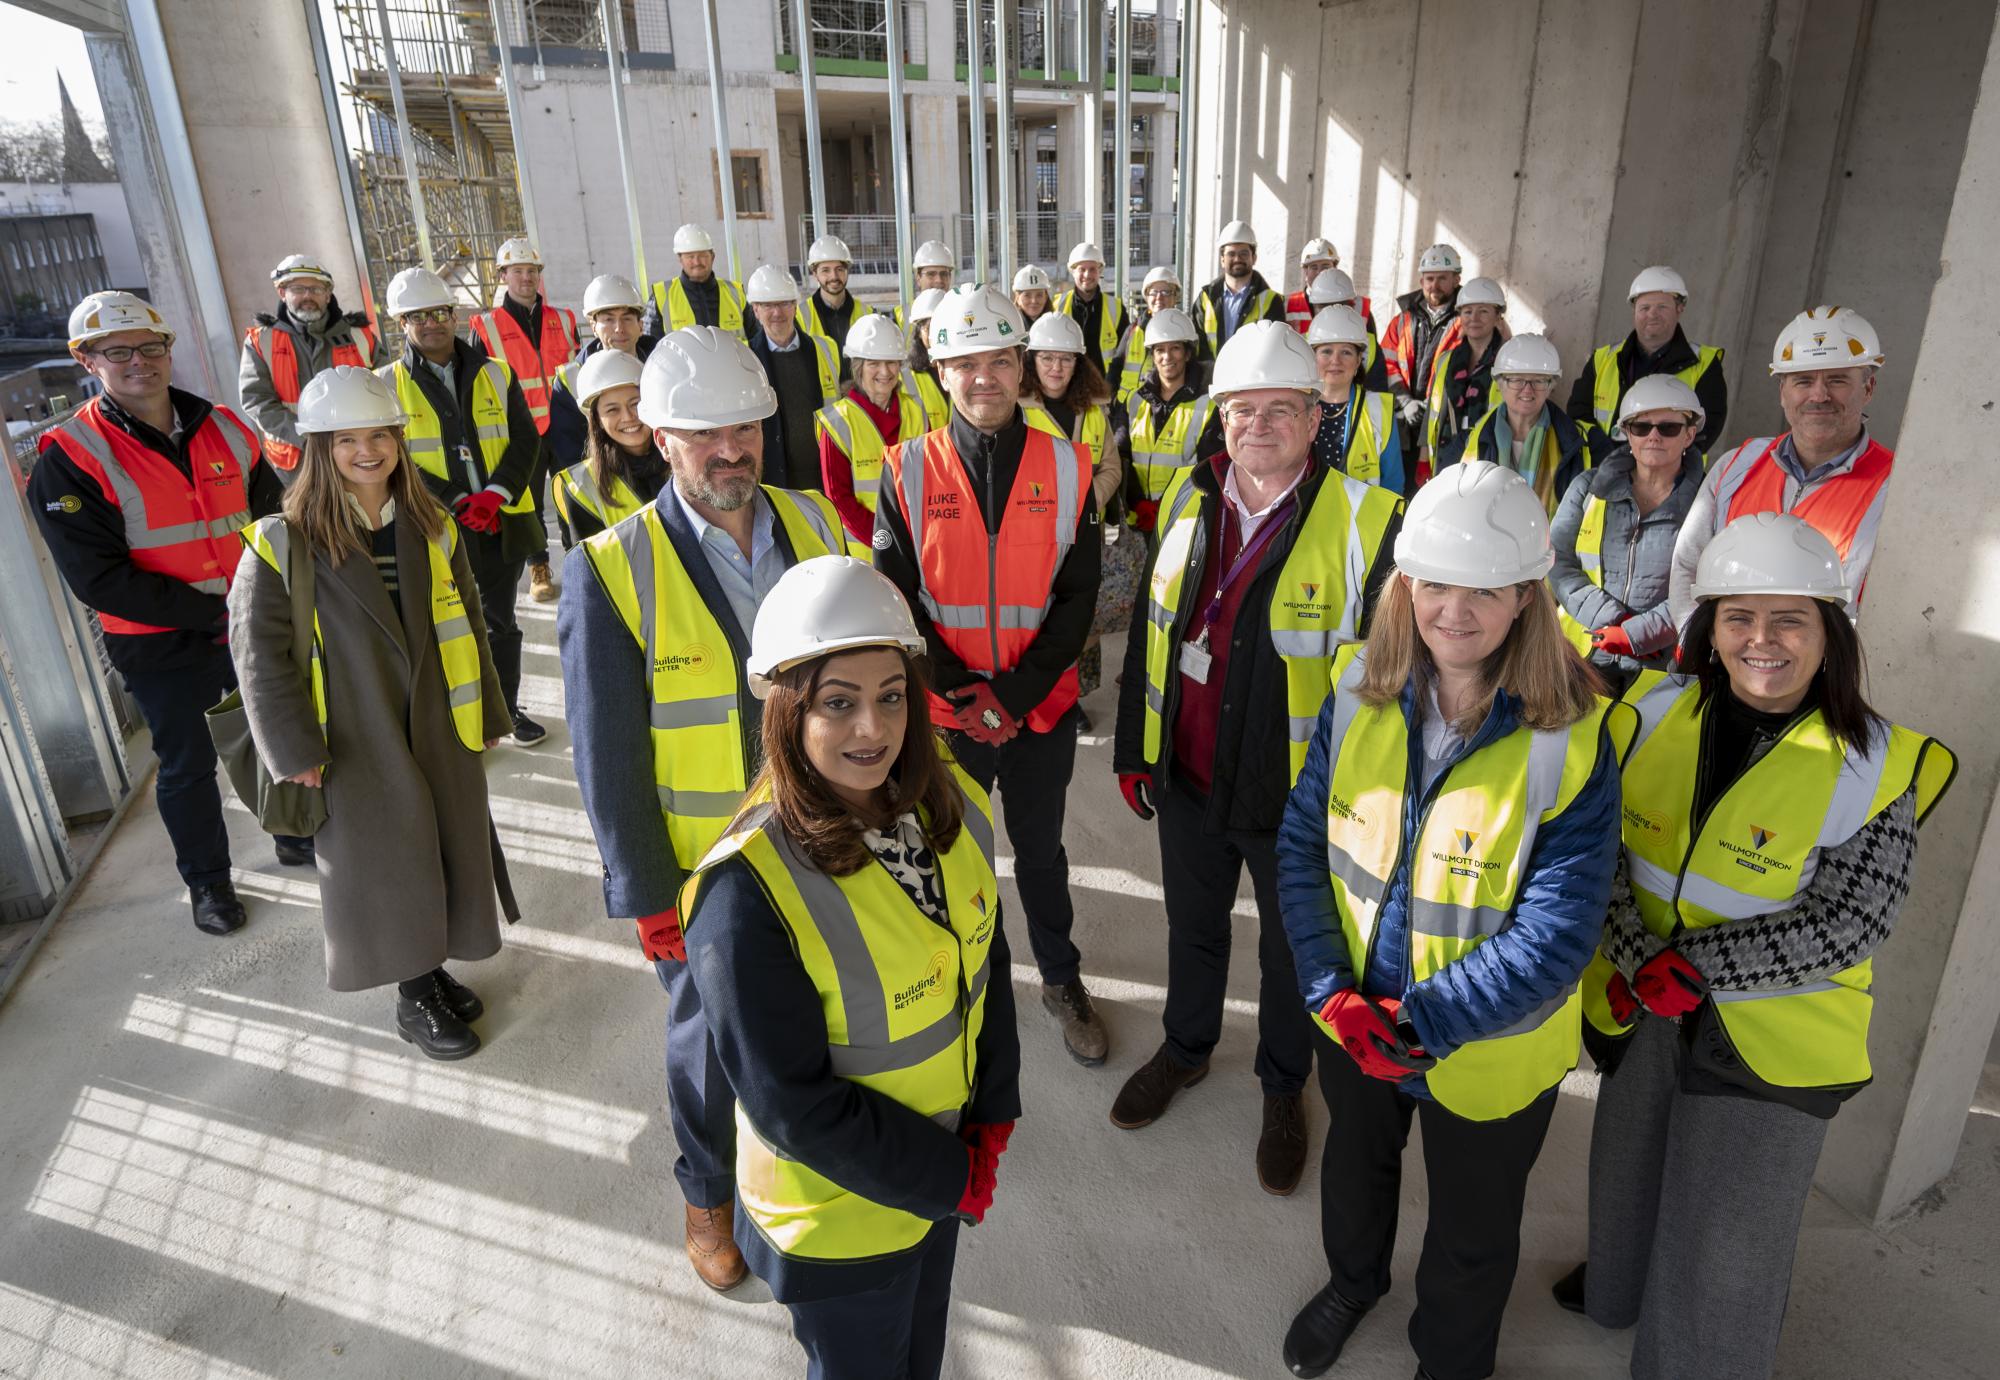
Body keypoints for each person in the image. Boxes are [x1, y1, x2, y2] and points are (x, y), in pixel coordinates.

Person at [1559, 513, 1954, 1380]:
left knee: (1726, 1244)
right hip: (1643, 1003)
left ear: (1830, 637)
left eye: (1790, 620)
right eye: (1739, 617)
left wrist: (1693, 968)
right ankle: (1619, 1292)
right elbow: (1603, 857)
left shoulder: (1871, 761)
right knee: (1627, 1169)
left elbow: (1852, 919)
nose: (1761, 641)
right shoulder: (1653, 712)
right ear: (1709, 627)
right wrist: (1634, 951)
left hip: (1773, 1034)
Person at [1276, 460, 1626, 1380]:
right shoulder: (1359, 688)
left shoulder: (1572, 732)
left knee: (1473, 1232)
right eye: (1433, 583)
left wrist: (1423, 1022)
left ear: (1526, 597)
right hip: (1355, 1012)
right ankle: (1355, 1283)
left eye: (1484, 590)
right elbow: (1306, 843)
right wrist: (1328, 988)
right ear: (1405, 586)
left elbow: (1559, 930)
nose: (1454, 611)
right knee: (1355, 1177)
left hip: (1486, 1046)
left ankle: (1449, 1360)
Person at [558, 326, 848, 1292]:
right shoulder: (611, 567)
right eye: (703, 434)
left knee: (822, 1016)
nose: (731, 451)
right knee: (708, 1046)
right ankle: (707, 1195)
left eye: (746, 428)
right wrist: (644, 893)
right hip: (702, 871)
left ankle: (801, 1171)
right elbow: (606, 753)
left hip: (818, 840)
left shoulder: (817, 528)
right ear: (655, 434)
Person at [681, 555, 1021, 1379]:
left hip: (938, 1180)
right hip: (839, 1221)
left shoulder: (955, 804)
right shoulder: (745, 893)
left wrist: (995, 1107)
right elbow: (791, 1104)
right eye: (839, 703)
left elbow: (986, 962)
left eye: (891, 696)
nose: (873, 728)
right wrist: (949, 1175)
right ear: (788, 711)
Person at [1110, 322, 1401, 1199]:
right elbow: (1153, 636)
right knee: (1193, 928)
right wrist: (1136, 748)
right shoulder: (1188, 505)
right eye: (1244, 409)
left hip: (1298, 799)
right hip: (1191, 776)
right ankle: (1188, 1047)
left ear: (1317, 420)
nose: (1261, 425)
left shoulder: (1368, 522)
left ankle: (1283, 1086)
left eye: (1283, 408)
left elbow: (1396, 684)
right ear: (1222, 418)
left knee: (1288, 955)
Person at [229, 367, 514, 1058]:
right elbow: (257, 652)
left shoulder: (430, 524)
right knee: (385, 866)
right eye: (346, 438)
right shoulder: (281, 540)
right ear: (318, 448)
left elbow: (471, 621)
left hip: (439, 720)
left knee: (444, 849)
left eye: (380, 434)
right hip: (351, 735)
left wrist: (490, 712)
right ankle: (415, 998)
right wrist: (292, 749)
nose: (367, 450)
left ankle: (431, 969)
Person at [873, 283, 1111, 1067]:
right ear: (939, 371)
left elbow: (1079, 599)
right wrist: (959, 696)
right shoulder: (905, 469)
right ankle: (964, 978)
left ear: (1024, 368)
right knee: (951, 853)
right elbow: (896, 601)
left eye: (1000, 360)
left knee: (1040, 852)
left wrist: (1009, 697)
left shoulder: (1071, 468)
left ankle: (1061, 978)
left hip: (1036, 711)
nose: (985, 377)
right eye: (966, 362)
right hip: (947, 715)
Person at [31, 291, 299, 936]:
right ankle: (208, 883)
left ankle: (294, 835)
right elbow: (99, 579)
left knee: (277, 737)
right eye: (115, 351)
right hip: (161, 642)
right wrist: (218, 613)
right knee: (187, 765)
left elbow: (273, 522)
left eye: (149, 347)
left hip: (250, 622)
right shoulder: (69, 456)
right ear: (86, 359)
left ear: (167, 350)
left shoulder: (227, 428)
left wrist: (265, 601)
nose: (137, 362)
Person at [376, 266, 547, 746]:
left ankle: (505, 714)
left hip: (500, 523)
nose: (431, 323)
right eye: (417, 316)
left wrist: (496, 495)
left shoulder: (497, 373)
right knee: (441, 627)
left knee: (500, 623)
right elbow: (394, 457)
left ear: (453, 315)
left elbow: (525, 441)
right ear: (401, 324)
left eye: (439, 312)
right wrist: (453, 499)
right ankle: (456, 715)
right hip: (433, 527)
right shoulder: (386, 385)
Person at [1668, 306, 1892, 628]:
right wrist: (1697, 647)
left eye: (1837, 380)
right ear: (1782, 392)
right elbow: (1688, 566)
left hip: (1826, 675)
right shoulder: (1735, 466)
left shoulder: (1894, 489)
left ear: (1868, 389)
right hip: (1725, 666)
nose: (1819, 395)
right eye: (1803, 380)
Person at [1549, 376, 1707, 693]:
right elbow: (1556, 559)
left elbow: (1703, 584)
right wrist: (1613, 619)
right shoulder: (1588, 488)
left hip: (1661, 669)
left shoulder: (1707, 501)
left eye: (1668, 427)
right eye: (1641, 427)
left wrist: (1638, 634)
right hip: (1578, 657)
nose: (1653, 436)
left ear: (1689, 434)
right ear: (1626, 433)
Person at [1021, 312, 1132, 708]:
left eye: (1066, 359)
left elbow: (1112, 468)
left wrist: (1086, 500)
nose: (1056, 368)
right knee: (1038, 618)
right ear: (1031, 361)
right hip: (1032, 537)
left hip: (1086, 531)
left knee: (1082, 616)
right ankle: (1038, 694)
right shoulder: (1017, 410)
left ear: (1079, 363)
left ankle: (1074, 700)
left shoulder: (1094, 409)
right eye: (1047, 358)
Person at [470, 237, 577, 606]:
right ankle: (539, 567)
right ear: (503, 276)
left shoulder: (562, 320)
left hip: (564, 424)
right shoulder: (486, 327)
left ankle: (579, 559)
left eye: (531, 271)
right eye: (517, 271)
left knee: (572, 493)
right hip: (521, 430)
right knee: (528, 501)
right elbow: (479, 386)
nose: (526, 277)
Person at [238, 253, 379, 479]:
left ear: (328, 294)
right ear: (282, 293)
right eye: (298, 289)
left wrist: (348, 438)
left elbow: (384, 390)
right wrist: (309, 438)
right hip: (297, 464)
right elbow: (257, 401)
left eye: (316, 290)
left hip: (359, 456)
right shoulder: (262, 341)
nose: (307, 296)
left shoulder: (360, 336)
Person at [1566, 266, 1728, 453]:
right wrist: (1603, 451)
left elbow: (1706, 429)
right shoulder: (1602, 359)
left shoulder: (1704, 364)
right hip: (1601, 471)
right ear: (1634, 310)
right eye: (1645, 307)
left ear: (1679, 308)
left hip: (1669, 478)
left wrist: (1660, 465)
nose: (1652, 314)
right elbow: (1578, 412)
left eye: (1662, 307)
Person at [1440, 333, 1595, 514]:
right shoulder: (1465, 444)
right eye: (1516, 379)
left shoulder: (1581, 443)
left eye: (1539, 380)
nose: (1527, 389)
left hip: (1549, 542)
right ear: (1499, 383)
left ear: (1551, 385)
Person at [818, 314, 932, 542]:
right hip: (866, 548)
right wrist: (885, 539)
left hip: (917, 539)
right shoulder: (837, 421)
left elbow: (930, 479)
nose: (885, 372)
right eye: (874, 363)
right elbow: (839, 499)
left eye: (891, 362)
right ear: (858, 367)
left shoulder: (916, 411)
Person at [745, 263, 842, 493]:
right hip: (775, 481)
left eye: (784, 303)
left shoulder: (825, 349)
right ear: (756, 310)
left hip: (825, 475)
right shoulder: (745, 357)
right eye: (768, 305)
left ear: (795, 306)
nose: (777, 313)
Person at [1123, 306, 1217, 537]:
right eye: (1160, 350)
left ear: (1187, 353)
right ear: (1152, 355)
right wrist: (1137, 502)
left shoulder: (1208, 403)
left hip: (1187, 518)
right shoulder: (1134, 400)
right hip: (1141, 517)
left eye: (1175, 348)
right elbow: (1122, 455)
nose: (1167, 357)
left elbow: (1209, 466)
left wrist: (1170, 504)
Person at [551, 350, 659, 548]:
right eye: (612, 410)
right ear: (597, 420)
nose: (628, 417)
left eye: (635, 403)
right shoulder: (582, 487)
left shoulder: (685, 460)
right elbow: (589, 569)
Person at [1381, 243, 1464, 461]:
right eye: (1430, 278)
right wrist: (1405, 402)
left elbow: (1465, 369)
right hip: (1403, 423)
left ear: (1456, 280)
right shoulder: (1402, 321)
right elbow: (1386, 364)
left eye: (1442, 278)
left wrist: (1434, 405)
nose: (1434, 285)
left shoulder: (1466, 322)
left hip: (1444, 427)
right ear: (1421, 281)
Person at [1305, 304, 1402, 492]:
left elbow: (1393, 482)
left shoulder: (1379, 409)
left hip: (1360, 519)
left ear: (1358, 361)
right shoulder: (1296, 406)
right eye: (1326, 351)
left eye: (1346, 352)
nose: (1336, 360)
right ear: (1313, 357)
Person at [1420, 276, 1508, 480]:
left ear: (1497, 317)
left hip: (1488, 455)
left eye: (1483, 311)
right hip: (1447, 454)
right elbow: (1432, 412)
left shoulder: (1509, 360)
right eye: (1468, 312)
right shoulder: (1446, 360)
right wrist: (1423, 458)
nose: (1474, 318)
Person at [1193, 220, 1286, 360]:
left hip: (1252, 379)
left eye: (1243, 253)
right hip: (1211, 379)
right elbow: (1196, 347)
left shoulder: (1271, 301)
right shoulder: (1205, 299)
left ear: (1254, 258)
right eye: (1231, 254)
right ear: (1222, 260)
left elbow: (1275, 349)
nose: (1237, 258)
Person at [648, 223, 748, 336]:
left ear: (713, 257)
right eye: (690, 256)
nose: (697, 262)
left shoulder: (736, 293)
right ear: (680, 259)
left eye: (703, 255)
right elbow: (651, 347)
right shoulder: (661, 296)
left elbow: (756, 340)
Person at [1054, 242, 1130, 380]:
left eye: (1092, 269)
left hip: (1105, 388)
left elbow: (1125, 352)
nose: (1087, 275)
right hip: (1066, 388)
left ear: (1099, 271)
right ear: (1073, 272)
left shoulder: (1116, 308)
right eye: (1082, 269)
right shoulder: (1057, 306)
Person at [1304, 268, 1387, 390]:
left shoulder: (1371, 346)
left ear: (1352, 305)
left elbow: (1375, 395)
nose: (1334, 312)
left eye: (1346, 352)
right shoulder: (1302, 345)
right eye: (1325, 307)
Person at [1115, 265, 1182, 403]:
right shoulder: (1133, 330)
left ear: (1175, 297)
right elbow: (1115, 367)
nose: (1159, 297)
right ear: (1146, 296)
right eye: (1154, 292)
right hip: (1128, 408)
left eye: (1166, 292)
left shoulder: (1184, 331)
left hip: (1165, 407)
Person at [799, 234, 867, 359]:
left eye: (840, 269)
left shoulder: (867, 313)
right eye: (826, 270)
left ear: (847, 271)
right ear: (815, 274)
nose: (834, 277)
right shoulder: (800, 316)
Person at [903, 287, 952, 428]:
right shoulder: (904, 379)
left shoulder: (965, 368)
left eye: (944, 327)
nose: (938, 336)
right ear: (919, 332)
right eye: (931, 328)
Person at [893, 240, 957, 328]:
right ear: (918, 278)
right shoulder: (900, 317)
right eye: (931, 274)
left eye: (944, 274)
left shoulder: (960, 310)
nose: (938, 280)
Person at [1284, 237, 1342, 331]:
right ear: (1305, 271)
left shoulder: (1356, 306)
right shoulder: (1287, 306)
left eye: (1325, 266)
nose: (1319, 272)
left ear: (1335, 268)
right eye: (1314, 267)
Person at [1012, 263, 1054, 329]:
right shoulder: (1009, 327)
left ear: (1046, 297)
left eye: (1039, 295)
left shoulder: (1056, 325)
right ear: (1017, 298)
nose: (1033, 301)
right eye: (1027, 295)